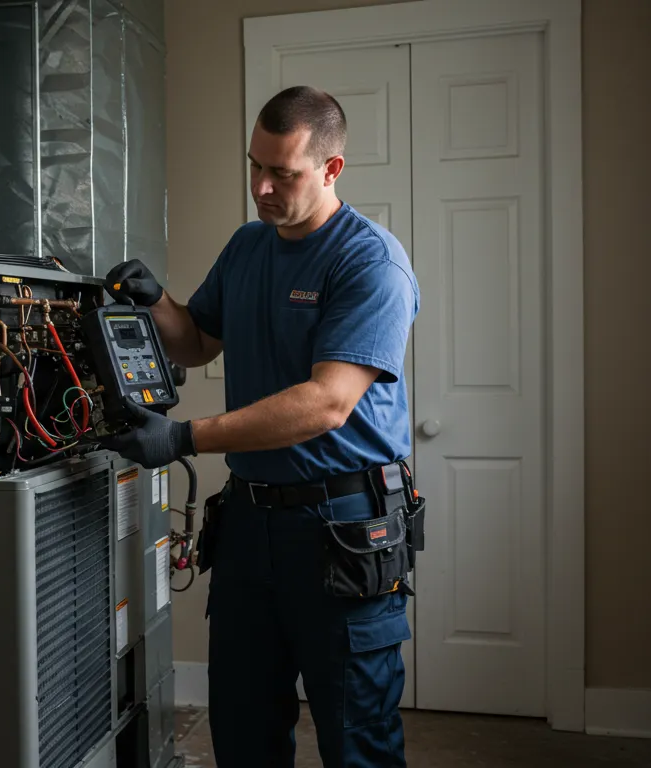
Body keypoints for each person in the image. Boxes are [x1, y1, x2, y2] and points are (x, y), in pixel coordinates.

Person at [99, 85, 421, 768]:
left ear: (332, 170)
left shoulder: (369, 262)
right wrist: (158, 304)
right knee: (243, 731)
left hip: (341, 529)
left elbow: (327, 403)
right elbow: (196, 342)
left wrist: (185, 438)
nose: (263, 188)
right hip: (250, 526)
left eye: (284, 173)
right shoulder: (249, 247)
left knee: (355, 741)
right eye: (255, 167)